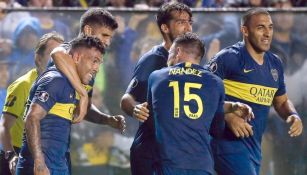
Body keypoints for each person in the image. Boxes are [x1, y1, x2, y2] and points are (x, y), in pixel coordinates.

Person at [206, 8, 303, 175]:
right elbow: (203, 96)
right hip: (226, 144)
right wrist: (227, 116)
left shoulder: (275, 63)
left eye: (270, 27)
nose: (267, 33)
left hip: (254, 147)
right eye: (260, 27)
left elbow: (281, 101)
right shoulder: (228, 58)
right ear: (244, 30)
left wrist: (292, 115)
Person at [15, 36, 125, 175]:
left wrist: (107, 120)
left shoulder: (74, 84)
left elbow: (82, 112)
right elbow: (32, 118)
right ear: (77, 57)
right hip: (40, 167)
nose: (97, 68)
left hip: (58, 164)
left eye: (99, 63)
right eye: (94, 61)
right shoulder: (56, 80)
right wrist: (39, 162)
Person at [148, 32, 253, 175]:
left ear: (178, 51)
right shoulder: (215, 83)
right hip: (201, 165)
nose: (167, 58)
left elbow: (151, 118)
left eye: (170, 52)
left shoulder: (156, 76)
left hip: (166, 164)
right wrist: (230, 108)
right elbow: (217, 130)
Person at [120, 2, 193, 174]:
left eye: (190, 21)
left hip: (178, 151)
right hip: (151, 151)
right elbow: (126, 99)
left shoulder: (192, 60)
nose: (188, 27)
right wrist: (135, 109)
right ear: (165, 28)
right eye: (181, 22)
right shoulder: (153, 59)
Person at [0, 32, 64, 175]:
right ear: (38, 58)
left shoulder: (65, 84)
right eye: (52, 54)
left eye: (62, 53)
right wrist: (11, 155)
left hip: (51, 155)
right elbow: (4, 125)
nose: (58, 58)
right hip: (19, 155)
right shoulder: (23, 85)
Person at [50, 7, 118, 123]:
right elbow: (56, 53)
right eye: (104, 35)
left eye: (110, 38)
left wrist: (107, 120)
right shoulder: (68, 51)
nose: (108, 42)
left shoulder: (91, 65)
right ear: (88, 31)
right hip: (42, 129)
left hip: (62, 132)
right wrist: (82, 93)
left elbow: (85, 107)